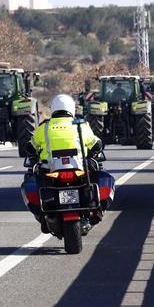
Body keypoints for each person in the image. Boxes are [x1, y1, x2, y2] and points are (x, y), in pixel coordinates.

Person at [22, 94, 114, 232]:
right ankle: (96, 211)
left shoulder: (44, 127)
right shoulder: (81, 125)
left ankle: (43, 216)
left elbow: (30, 147)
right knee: (97, 171)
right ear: (71, 109)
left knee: (34, 176)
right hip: (79, 168)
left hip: (50, 170)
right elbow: (96, 145)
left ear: (53, 109)